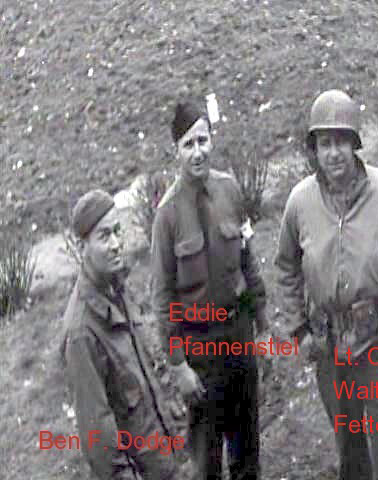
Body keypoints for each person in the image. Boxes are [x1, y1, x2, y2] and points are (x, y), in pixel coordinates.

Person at [274, 90, 378, 480]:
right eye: (324, 143)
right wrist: (299, 329)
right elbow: (286, 266)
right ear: (314, 150)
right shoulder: (300, 202)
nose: (334, 153)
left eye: (341, 142)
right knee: (351, 449)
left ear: (355, 144)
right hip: (329, 346)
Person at [150, 100, 270, 480]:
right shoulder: (167, 215)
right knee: (208, 460)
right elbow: (163, 297)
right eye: (188, 144)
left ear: (212, 141)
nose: (198, 151)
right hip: (199, 348)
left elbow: (248, 262)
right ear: (176, 151)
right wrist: (178, 364)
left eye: (202, 140)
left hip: (238, 334)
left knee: (247, 452)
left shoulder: (229, 190)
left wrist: (263, 328)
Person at [62, 189, 185, 480]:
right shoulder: (81, 333)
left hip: (168, 458)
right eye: (104, 236)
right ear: (81, 247)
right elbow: (99, 440)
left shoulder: (118, 290)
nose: (117, 244)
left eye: (118, 231)